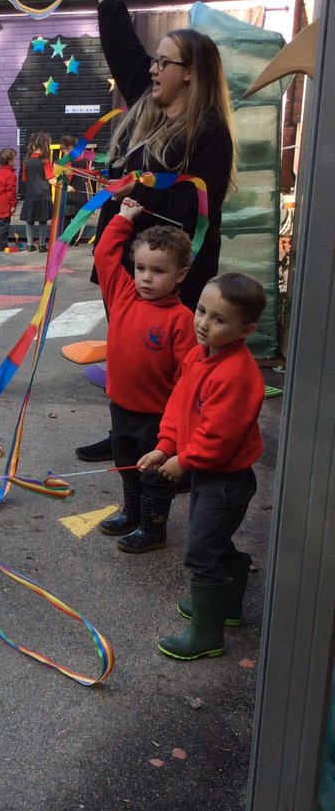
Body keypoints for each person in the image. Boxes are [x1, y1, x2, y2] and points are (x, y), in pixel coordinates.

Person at [76, 0, 236, 463]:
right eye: (156, 61)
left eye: (164, 63)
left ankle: (170, 447)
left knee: (170, 360)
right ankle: (126, 433)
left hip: (173, 271)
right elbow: (123, 48)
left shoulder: (208, 133)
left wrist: (137, 191)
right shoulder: (149, 102)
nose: (153, 68)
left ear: (191, 74)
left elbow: (190, 212)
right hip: (126, 258)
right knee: (127, 351)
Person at [137, 273, 267, 660]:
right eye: (201, 311)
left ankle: (207, 635)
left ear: (246, 331)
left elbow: (219, 436)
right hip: (210, 473)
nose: (203, 323)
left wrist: (186, 460)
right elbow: (179, 406)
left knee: (201, 550)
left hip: (227, 480)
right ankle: (226, 604)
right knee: (210, 538)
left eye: (219, 320)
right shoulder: (200, 353)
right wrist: (165, 447)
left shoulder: (236, 375)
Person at [94, 197, 196, 552]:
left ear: (181, 274)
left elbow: (189, 377)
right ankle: (132, 513)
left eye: (159, 271)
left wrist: (182, 426)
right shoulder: (122, 294)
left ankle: (154, 528)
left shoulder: (181, 319)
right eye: (140, 268)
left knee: (155, 473)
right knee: (126, 466)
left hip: (158, 416)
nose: (147, 278)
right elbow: (105, 254)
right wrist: (124, 218)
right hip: (120, 406)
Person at [20, 133, 53, 253]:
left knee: (30, 220)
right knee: (43, 220)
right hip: (43, 195)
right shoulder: (46, 161)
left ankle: (29, 245)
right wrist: (65, 186)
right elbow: (51, 178)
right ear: (46, 145)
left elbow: (24, 179)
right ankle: (42, 245)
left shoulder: (27, 162)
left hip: (31, 195)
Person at [0, 147, 18, 253]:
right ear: (10, 161)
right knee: (4, 226)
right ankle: (2, 245)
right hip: (5, 205)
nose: (15, 161)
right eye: (14, 159)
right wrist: (13, 204)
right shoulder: (11, 175)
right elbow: (11, 192)